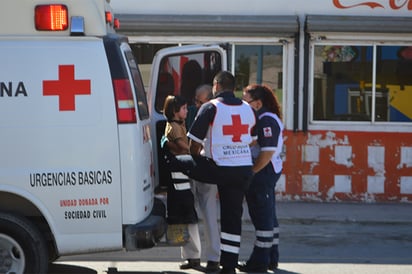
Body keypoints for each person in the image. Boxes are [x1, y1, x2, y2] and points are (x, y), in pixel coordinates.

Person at [187, 71, 257, 274]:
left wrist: (197, 159)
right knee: (232, 217)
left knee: (181, 164)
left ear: (216, 86)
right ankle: (229, 265)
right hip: (243, 168)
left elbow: (194, 143)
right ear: (233, 88)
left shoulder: (211, 107)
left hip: (218, 168)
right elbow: (252, 138)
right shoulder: (248, 108)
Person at [238, 84, 284, 273]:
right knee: (269, 217)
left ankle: (259, 261)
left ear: (257, 103)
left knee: (262, 218)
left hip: (263, 173)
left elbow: (267, 152)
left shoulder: (266, 120)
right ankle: (271, 258)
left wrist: (251, 172)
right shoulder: (264, 118)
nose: (242, 105)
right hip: (267, 172)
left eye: (245, 101)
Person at [181, 84, 221, 272]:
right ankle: (192, 256)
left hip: (205, 166)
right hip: (192, 165)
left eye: (200, 101)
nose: (196, 104)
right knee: (188, 212)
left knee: (209, 213)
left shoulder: (214, 112)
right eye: (195, 100)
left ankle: (214, 257)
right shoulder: (190, 111)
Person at [162, 95, 200, 264]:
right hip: (179, 179)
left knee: (184, 215)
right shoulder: (174, 128)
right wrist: (198, 148)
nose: (187, 111)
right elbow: (186, 148)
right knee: (187, 213)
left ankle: (191, 255)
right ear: (175, 111)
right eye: (183, 108)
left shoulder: (177, 125)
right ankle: (192, 255)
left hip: (179, 177)